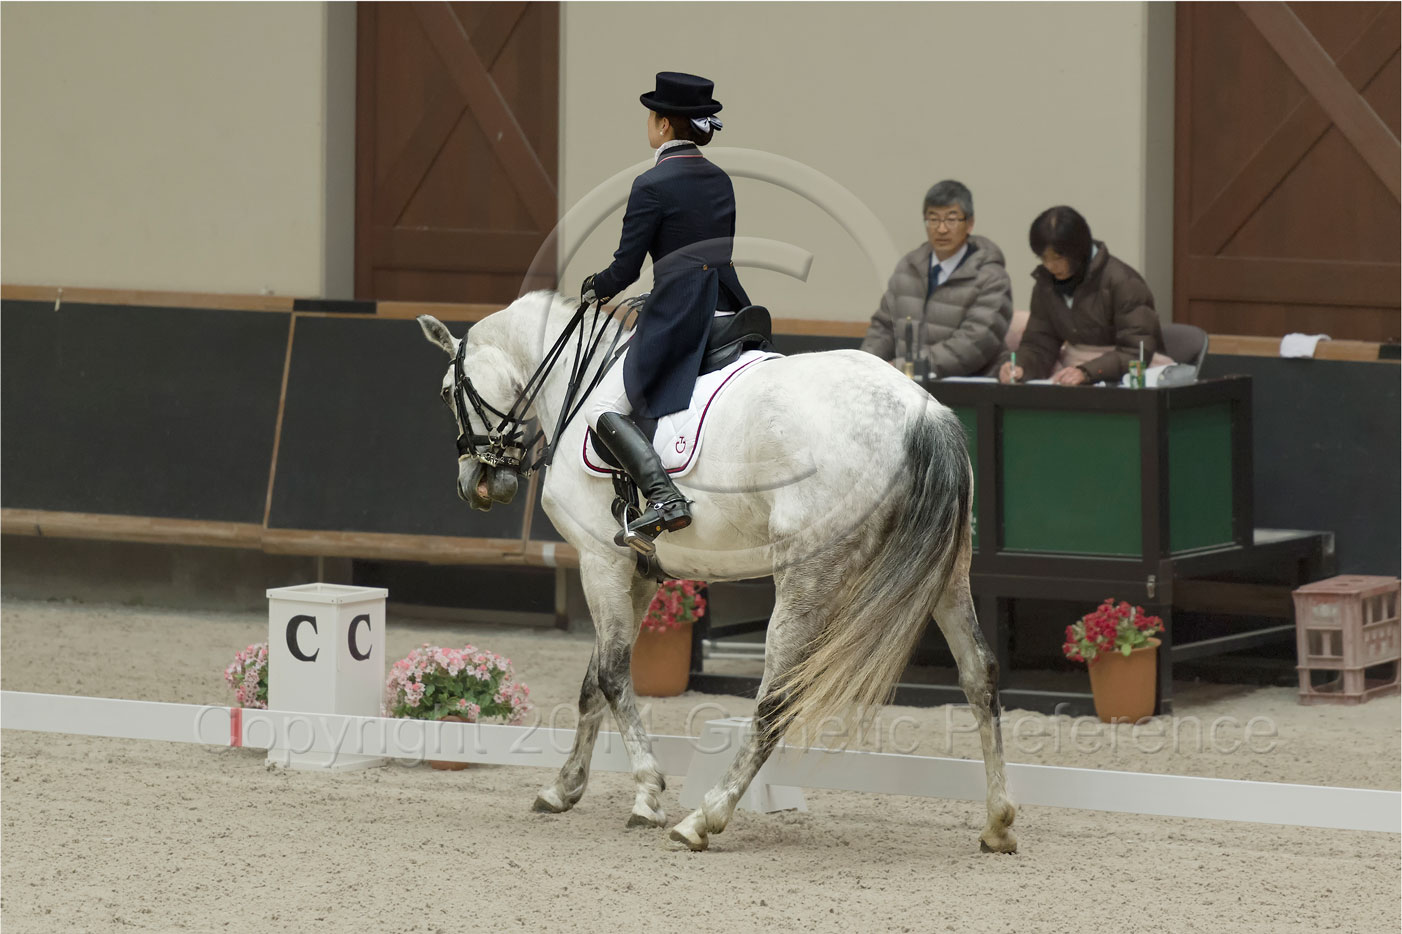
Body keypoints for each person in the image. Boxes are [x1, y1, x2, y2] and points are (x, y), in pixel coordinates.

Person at [579, 72, 750, 550]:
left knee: (601, 407)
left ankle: (662, 496)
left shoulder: (651, 183)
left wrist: (596, 287)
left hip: (679, 310)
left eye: (651, 116)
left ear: (662, 125)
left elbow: (626, 268)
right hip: (726, 302)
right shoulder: (720, 179)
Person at [999, 206, 1171, 386]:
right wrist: (1021, 366)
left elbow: (1137, 350)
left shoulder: (1123, 282)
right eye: (1043, 258)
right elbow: (1040, 343)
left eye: (1057, 258)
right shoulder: (1046, 284)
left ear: (1078, 251)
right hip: (1074, 372)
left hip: (1129, 376)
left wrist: (1088, 371)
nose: (1050, 266)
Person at [860, 180, 1013, 378]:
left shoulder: (991, 277)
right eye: (933, 219)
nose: (941, 229)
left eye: (951, 219)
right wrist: (866, 365)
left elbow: (974, 343)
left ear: (970, 223)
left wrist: (908, 367)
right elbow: (884, 326)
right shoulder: (909, 267)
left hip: (971, 390)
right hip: (907, 386)